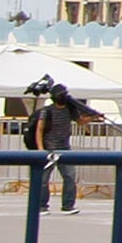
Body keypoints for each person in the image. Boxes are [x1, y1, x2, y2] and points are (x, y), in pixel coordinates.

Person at [28, 79, 87, 214]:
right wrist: (41, 149)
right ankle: (42, 206)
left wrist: (93, 117)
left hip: (64, 148)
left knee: (70, 177)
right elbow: (39, 130)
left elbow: (80, 122)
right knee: (43, 179)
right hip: (49, 148)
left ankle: (68, 205)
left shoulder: (70, 110)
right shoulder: (46, 111)